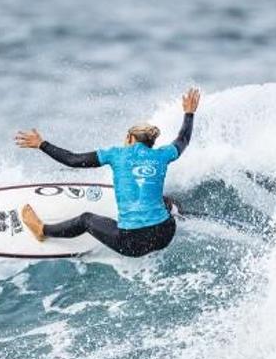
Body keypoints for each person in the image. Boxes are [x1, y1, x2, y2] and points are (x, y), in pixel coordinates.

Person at [14, 87, 200, 257]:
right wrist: (189, 113)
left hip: (133, 243)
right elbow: (183, 139)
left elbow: (73, 160)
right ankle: (178, 212)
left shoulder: (115, 154)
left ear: (129, 138)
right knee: (165, 200)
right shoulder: (163, 154)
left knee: (86, 219)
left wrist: (41, 144)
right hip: (165, 235)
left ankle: (42, 230)